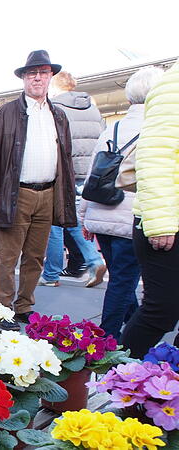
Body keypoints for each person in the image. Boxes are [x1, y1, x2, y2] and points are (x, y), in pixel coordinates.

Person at [0, 50, 76, 331]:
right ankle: (3, 309)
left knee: (35, 256)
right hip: (16, 193)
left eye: (43, 73)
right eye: (32, 73)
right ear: (24, 78)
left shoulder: (58, 114)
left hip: (48, 194)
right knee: (8, 256)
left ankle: (24, 306)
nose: (37, 78)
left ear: (50, 77)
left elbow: (67, 158)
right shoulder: (7, 112)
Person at [79, 67, 163, 341]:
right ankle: (107, 341)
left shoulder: (111, 128)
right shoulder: (157, 129)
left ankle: (129, 325)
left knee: (120, 279)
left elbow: (93, 173)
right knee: (122, 282)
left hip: (101, 214)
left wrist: (84, 217)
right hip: (131, 218)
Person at [120, 62, 179, 359]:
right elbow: (156, 157)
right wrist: (160, 223)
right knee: (161, 311)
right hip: (166, 222)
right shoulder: (173, 87)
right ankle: (115, 379)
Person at [40, 71, 107, 288]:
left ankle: (52, 274)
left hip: (63, 173)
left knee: (54, 224)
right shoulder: (92, 108)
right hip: (89, 172)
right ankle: (92, 260)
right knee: (75, 220)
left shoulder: (55, 108)